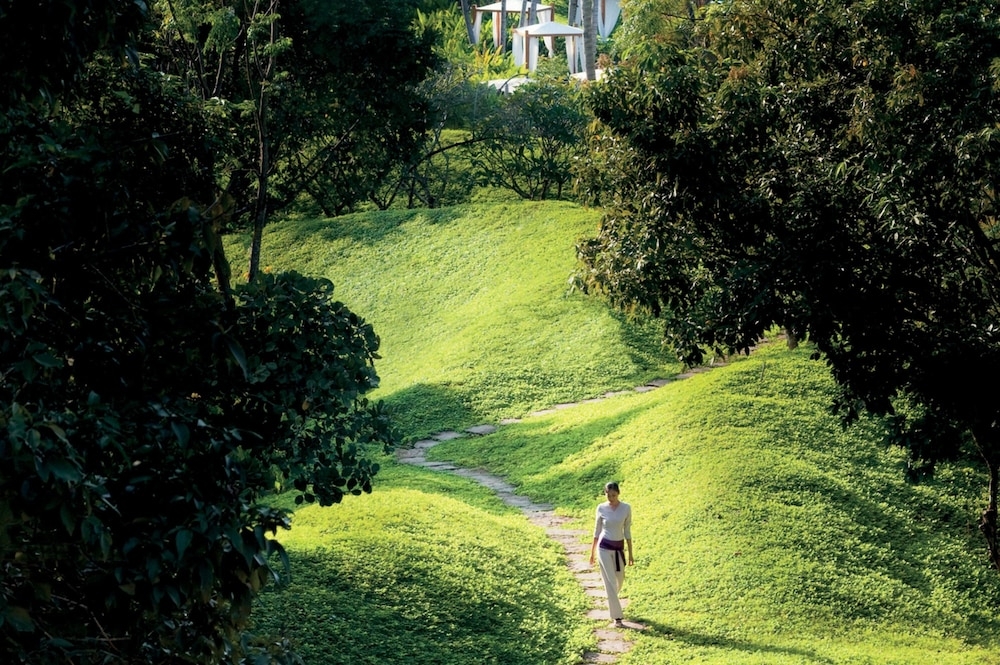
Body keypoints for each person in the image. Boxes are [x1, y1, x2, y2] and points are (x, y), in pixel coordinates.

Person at [589, 481, 634, 627]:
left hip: (618, 548)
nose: (611, 498)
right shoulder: (601, 508)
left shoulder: (626, 508)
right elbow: (597, 531)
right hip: (603, 547)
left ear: (618, 494)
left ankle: (612, 600)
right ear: (605, 493)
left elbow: (627, 531)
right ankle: (617, 618)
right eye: (608, 495)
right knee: (609, 581)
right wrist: (592, 553)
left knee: (618, 581)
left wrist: (631, 553)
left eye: (614, 495)